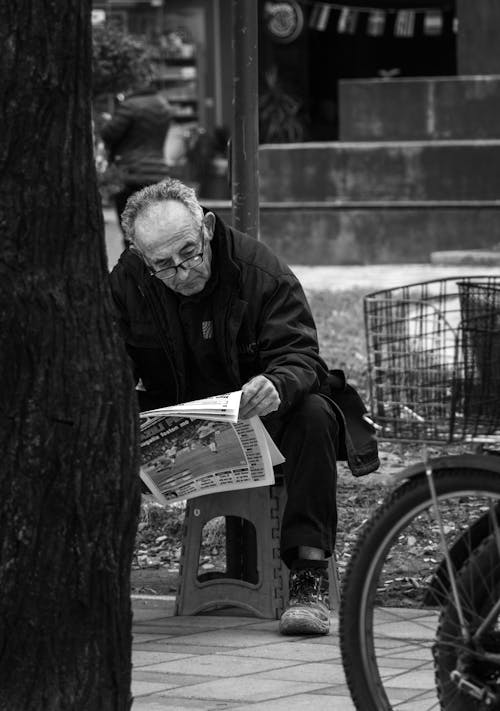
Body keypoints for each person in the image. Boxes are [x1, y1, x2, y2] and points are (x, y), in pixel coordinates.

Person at [110, 178, 343, 636]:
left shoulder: (259, 270)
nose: (182, 272)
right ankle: (100, 575)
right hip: (178, 411)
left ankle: (308, 581)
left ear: (208, 228)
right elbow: (107, 362)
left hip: (254, 413)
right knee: (93, 420)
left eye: (190, 253)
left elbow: (301, 355)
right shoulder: (129, 282)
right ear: (141, 257)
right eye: (164, 265)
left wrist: (277, 383)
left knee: (315, 413)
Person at [100, 86, 172, 246]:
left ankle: (133, 266)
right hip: (157, 172)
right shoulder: (163, 105)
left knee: (130, 228)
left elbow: (109, 133)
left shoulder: (130, 106)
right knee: (152, 227)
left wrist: (105, 121)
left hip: (130, 172)